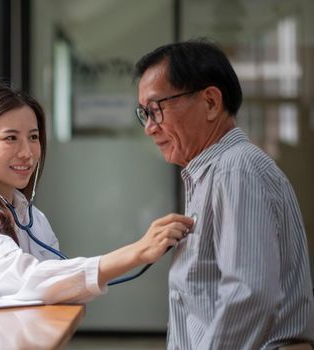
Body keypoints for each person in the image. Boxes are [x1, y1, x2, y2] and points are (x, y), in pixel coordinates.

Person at [0, 84, 193, 304]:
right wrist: (136, 252)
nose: (27, 152)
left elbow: (57, 287)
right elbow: (27, 280)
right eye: (11, 138)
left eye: (34, 137)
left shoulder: (31, 217)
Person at [134, 39, 314, 349]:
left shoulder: (236, 170)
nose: (150, 127)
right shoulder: (211, 173)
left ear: (211, 103)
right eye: (144, 114)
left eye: (157, 109)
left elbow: (249, 293)